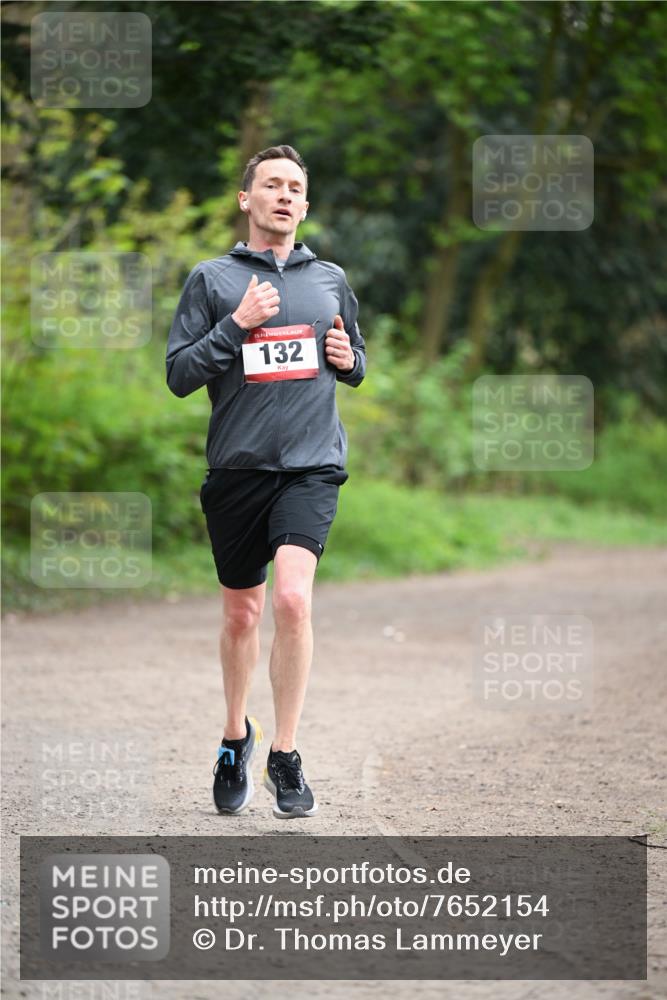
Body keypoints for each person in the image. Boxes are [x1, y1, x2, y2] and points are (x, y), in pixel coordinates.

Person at [166, 144, 366, 819]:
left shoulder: (330, 279)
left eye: (294, 188)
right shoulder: (213, 279)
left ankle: (284, 755)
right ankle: (234, 737)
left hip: (310, 468)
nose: (283, 195)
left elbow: (351, 353)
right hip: (237, 471)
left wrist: (349, 359)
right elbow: (180, 374)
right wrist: (235, 325)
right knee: (241, 612)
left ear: (304, 206)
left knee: (290, 600)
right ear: (246, 199)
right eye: (271, 185)